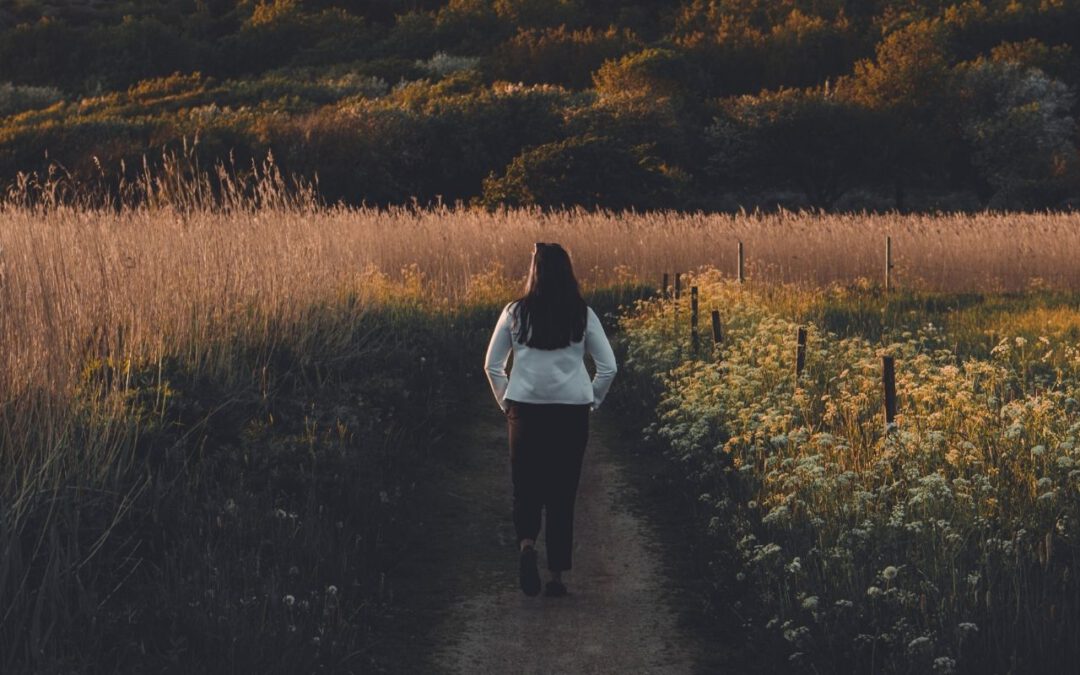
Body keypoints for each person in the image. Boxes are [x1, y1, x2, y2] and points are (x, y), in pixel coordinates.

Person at [483, 242, 617, 597]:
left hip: (525, 410)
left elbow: (492, 365)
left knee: (525, 486)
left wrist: (506, 403)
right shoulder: (582, 314)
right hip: (570, 413)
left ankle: (526, 545)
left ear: (535, 271)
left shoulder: (515, 313)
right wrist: (591, 401)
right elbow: (608, 367)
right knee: (562, 492)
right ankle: (556, 577)